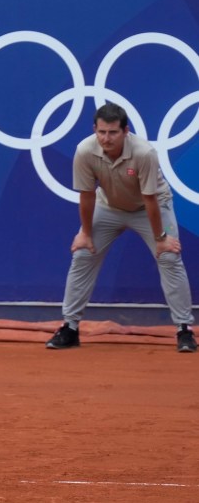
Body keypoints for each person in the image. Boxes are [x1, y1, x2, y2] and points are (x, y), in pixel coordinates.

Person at [46, 103, 195, 353]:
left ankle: (184, 329)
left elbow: (150, 199)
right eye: (102, 132)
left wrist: (160, 238)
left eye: (113, 132)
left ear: (126, 131)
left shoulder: (144, 153)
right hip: (109, 208)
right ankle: (70, 327)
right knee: (82, 253)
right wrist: (85, 232)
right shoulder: (84, 151)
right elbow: (86, 195)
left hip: (153, 207)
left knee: (169, 256)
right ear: (95, 129)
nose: (106, 138)